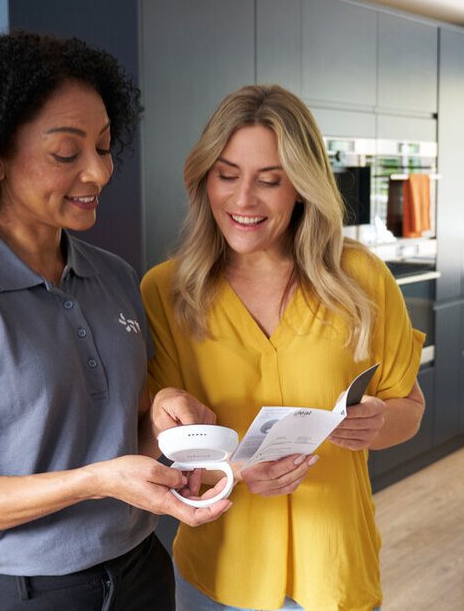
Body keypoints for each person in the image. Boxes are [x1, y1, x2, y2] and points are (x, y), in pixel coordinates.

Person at [0, 32, 230, 611]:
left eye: (106, 146)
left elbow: (120, 434)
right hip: (16, 594)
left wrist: (163, 422)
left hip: (139, 573)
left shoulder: (112, 277)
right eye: (67, 153)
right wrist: (96, 480)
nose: (98, 172)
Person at [140, 84, 426, 611]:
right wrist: (227, 467)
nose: (243, 200)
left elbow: (409, 406)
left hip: (334, 569)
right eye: (227, 175)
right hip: (216, 572)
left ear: (302, 187)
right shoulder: (165, 291)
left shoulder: (360, 277)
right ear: (204, 178)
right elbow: (158, 448)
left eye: (269, 181)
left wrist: (377, 424)